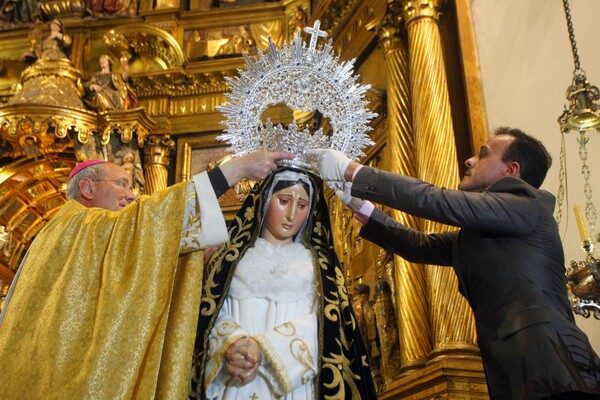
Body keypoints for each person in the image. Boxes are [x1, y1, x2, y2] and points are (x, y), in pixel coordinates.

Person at [309, 127, 600, 399]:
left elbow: (435, 200)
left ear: (511, 171)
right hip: (513, 363)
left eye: (483, 154)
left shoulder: (528, 205)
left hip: (548, 359)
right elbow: (420, 246)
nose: (470, 160)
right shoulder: (489, 229)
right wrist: (359, 205)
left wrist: (353, 171)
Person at [0, 151, 293, 399]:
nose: (131, 194)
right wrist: (236, 169)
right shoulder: (83, 223)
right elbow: (153, 219)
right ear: (88, 189)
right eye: (121, 183)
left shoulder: (66, 233)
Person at [189, 167, 376, 400]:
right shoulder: (229, 261)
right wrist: (231, 344)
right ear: (266, 199)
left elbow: (327, 329)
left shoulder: (317, 267)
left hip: (295, 386)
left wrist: (267, 350)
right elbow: (208, 317)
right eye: (284, 201)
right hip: (234, 379)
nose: (291, 215)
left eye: (301, 205)